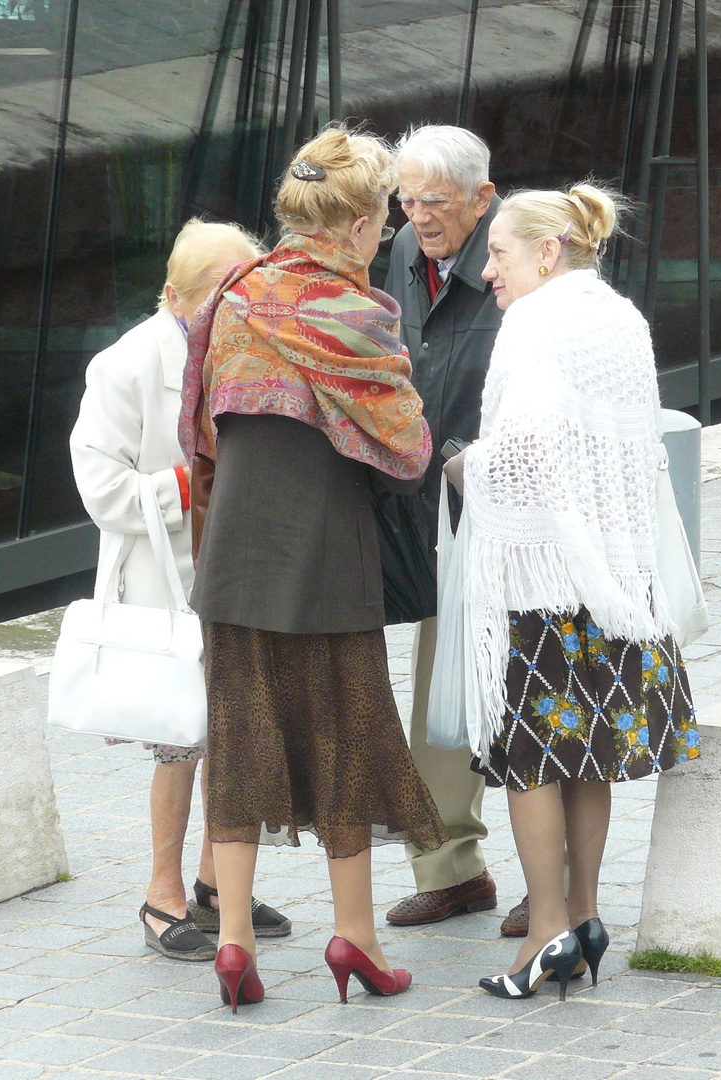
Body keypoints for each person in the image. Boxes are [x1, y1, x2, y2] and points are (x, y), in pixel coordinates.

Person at [180, 125, 447, 1011]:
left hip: (231, 562)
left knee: (238, 746)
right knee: (348, 746)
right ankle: (355, 939)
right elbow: (407, 450)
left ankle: (232, 944)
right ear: (366, 223)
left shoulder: (232, 297)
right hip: (326, 558)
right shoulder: (356, 313)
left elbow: (205, 432)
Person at [445, 184, 699, 1000]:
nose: (489, 270)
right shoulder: (624, 319)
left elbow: (524, 452)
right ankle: (587, 915)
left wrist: (461, 467)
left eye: (501, 253)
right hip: (618, 574)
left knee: (530, 762)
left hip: (542, 582)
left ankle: (547, 929)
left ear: (547, 252)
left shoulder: (536, 322)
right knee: (586, 751)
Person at [69, 218, 291, 962]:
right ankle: (162, 895)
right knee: (180, 742)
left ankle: (216, 884)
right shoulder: (124, 365)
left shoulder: (254, 343)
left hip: (241, 569)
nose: (243, 302)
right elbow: (102, 492)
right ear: (174, 295)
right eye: (225, 292)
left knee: (243, 732)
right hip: (167, 581)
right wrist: (194, 483)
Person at [381, 124, 522, 933]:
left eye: (435, 200)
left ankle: (557, 879)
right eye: (406, 198)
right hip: (423, 512)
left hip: (500, 509)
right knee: (440, 698)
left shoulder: (519, 264)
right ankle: (451, 868)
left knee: (522, 693)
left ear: (482, 198)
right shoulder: (402, 249)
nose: (417, 215)